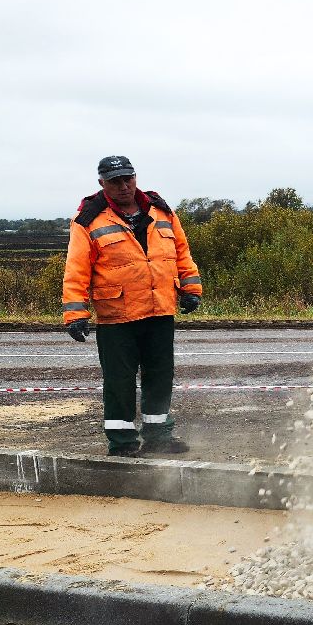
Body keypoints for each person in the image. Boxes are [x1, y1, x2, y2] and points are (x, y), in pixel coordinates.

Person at [62, 155, 203, 457]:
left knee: (160, 376)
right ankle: (123, 442)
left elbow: (181, 253)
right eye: (115, 181)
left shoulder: (161, 210)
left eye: (129, 179)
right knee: (119, 381)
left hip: (160, 308)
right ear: (102, 184)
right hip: (117, 316)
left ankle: (159, 436)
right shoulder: (88, 219)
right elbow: (76, 269)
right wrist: (75, 313)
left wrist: (191, 287)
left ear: (135, 177)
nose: (124, 186)